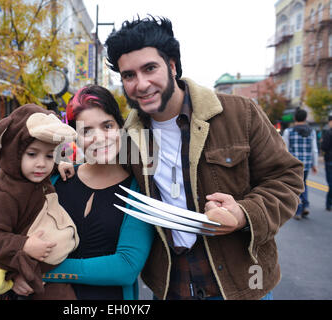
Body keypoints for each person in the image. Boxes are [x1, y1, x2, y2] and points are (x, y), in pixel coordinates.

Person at [103, 16, 304, 300]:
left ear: (172, 66)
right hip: (172, 286)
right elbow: (102, 178)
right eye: (129, 75)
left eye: (150, 68)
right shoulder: (128, 138)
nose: (141, 83)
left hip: (243, 285)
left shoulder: (240, 113)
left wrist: (243, 214)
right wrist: (61, 167)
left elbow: (287, 178)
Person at [11, 85, 155, 300]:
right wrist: (13, 271)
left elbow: (126, 266)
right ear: (74, 137)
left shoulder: (139, 188)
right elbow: (9, 229)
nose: (99, 137)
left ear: (120, 128)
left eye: (107, 126)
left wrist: (36, 269)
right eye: (86, 131)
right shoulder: (56, 179)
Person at [0, 104, 79, 299]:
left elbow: (41, 164)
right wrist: (24, 245)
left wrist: (57, 166)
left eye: (48, 155)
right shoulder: (5, 194)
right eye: (32, 154)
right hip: (22, 269)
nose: (41, 164)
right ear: (14, 152)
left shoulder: (31, 174)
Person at [282, 109, 318, 220]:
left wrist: (283, 164)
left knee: (295, 186)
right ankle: (305, 205)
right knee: (304, 184)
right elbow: (314, 150)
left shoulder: (288, 131)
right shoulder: (312, 132)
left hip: (294, 165)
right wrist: (314, 164)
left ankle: (298, 210)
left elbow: (284, 149)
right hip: (306, 163)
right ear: (306, 118)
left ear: (295, 118)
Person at [321, 115, 332, 211]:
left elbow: (324, 147)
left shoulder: (328, 133)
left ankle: (329, 204)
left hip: (329, 160)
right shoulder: (328, 133)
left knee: (331, 183)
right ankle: (329, 204)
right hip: (329, 160)